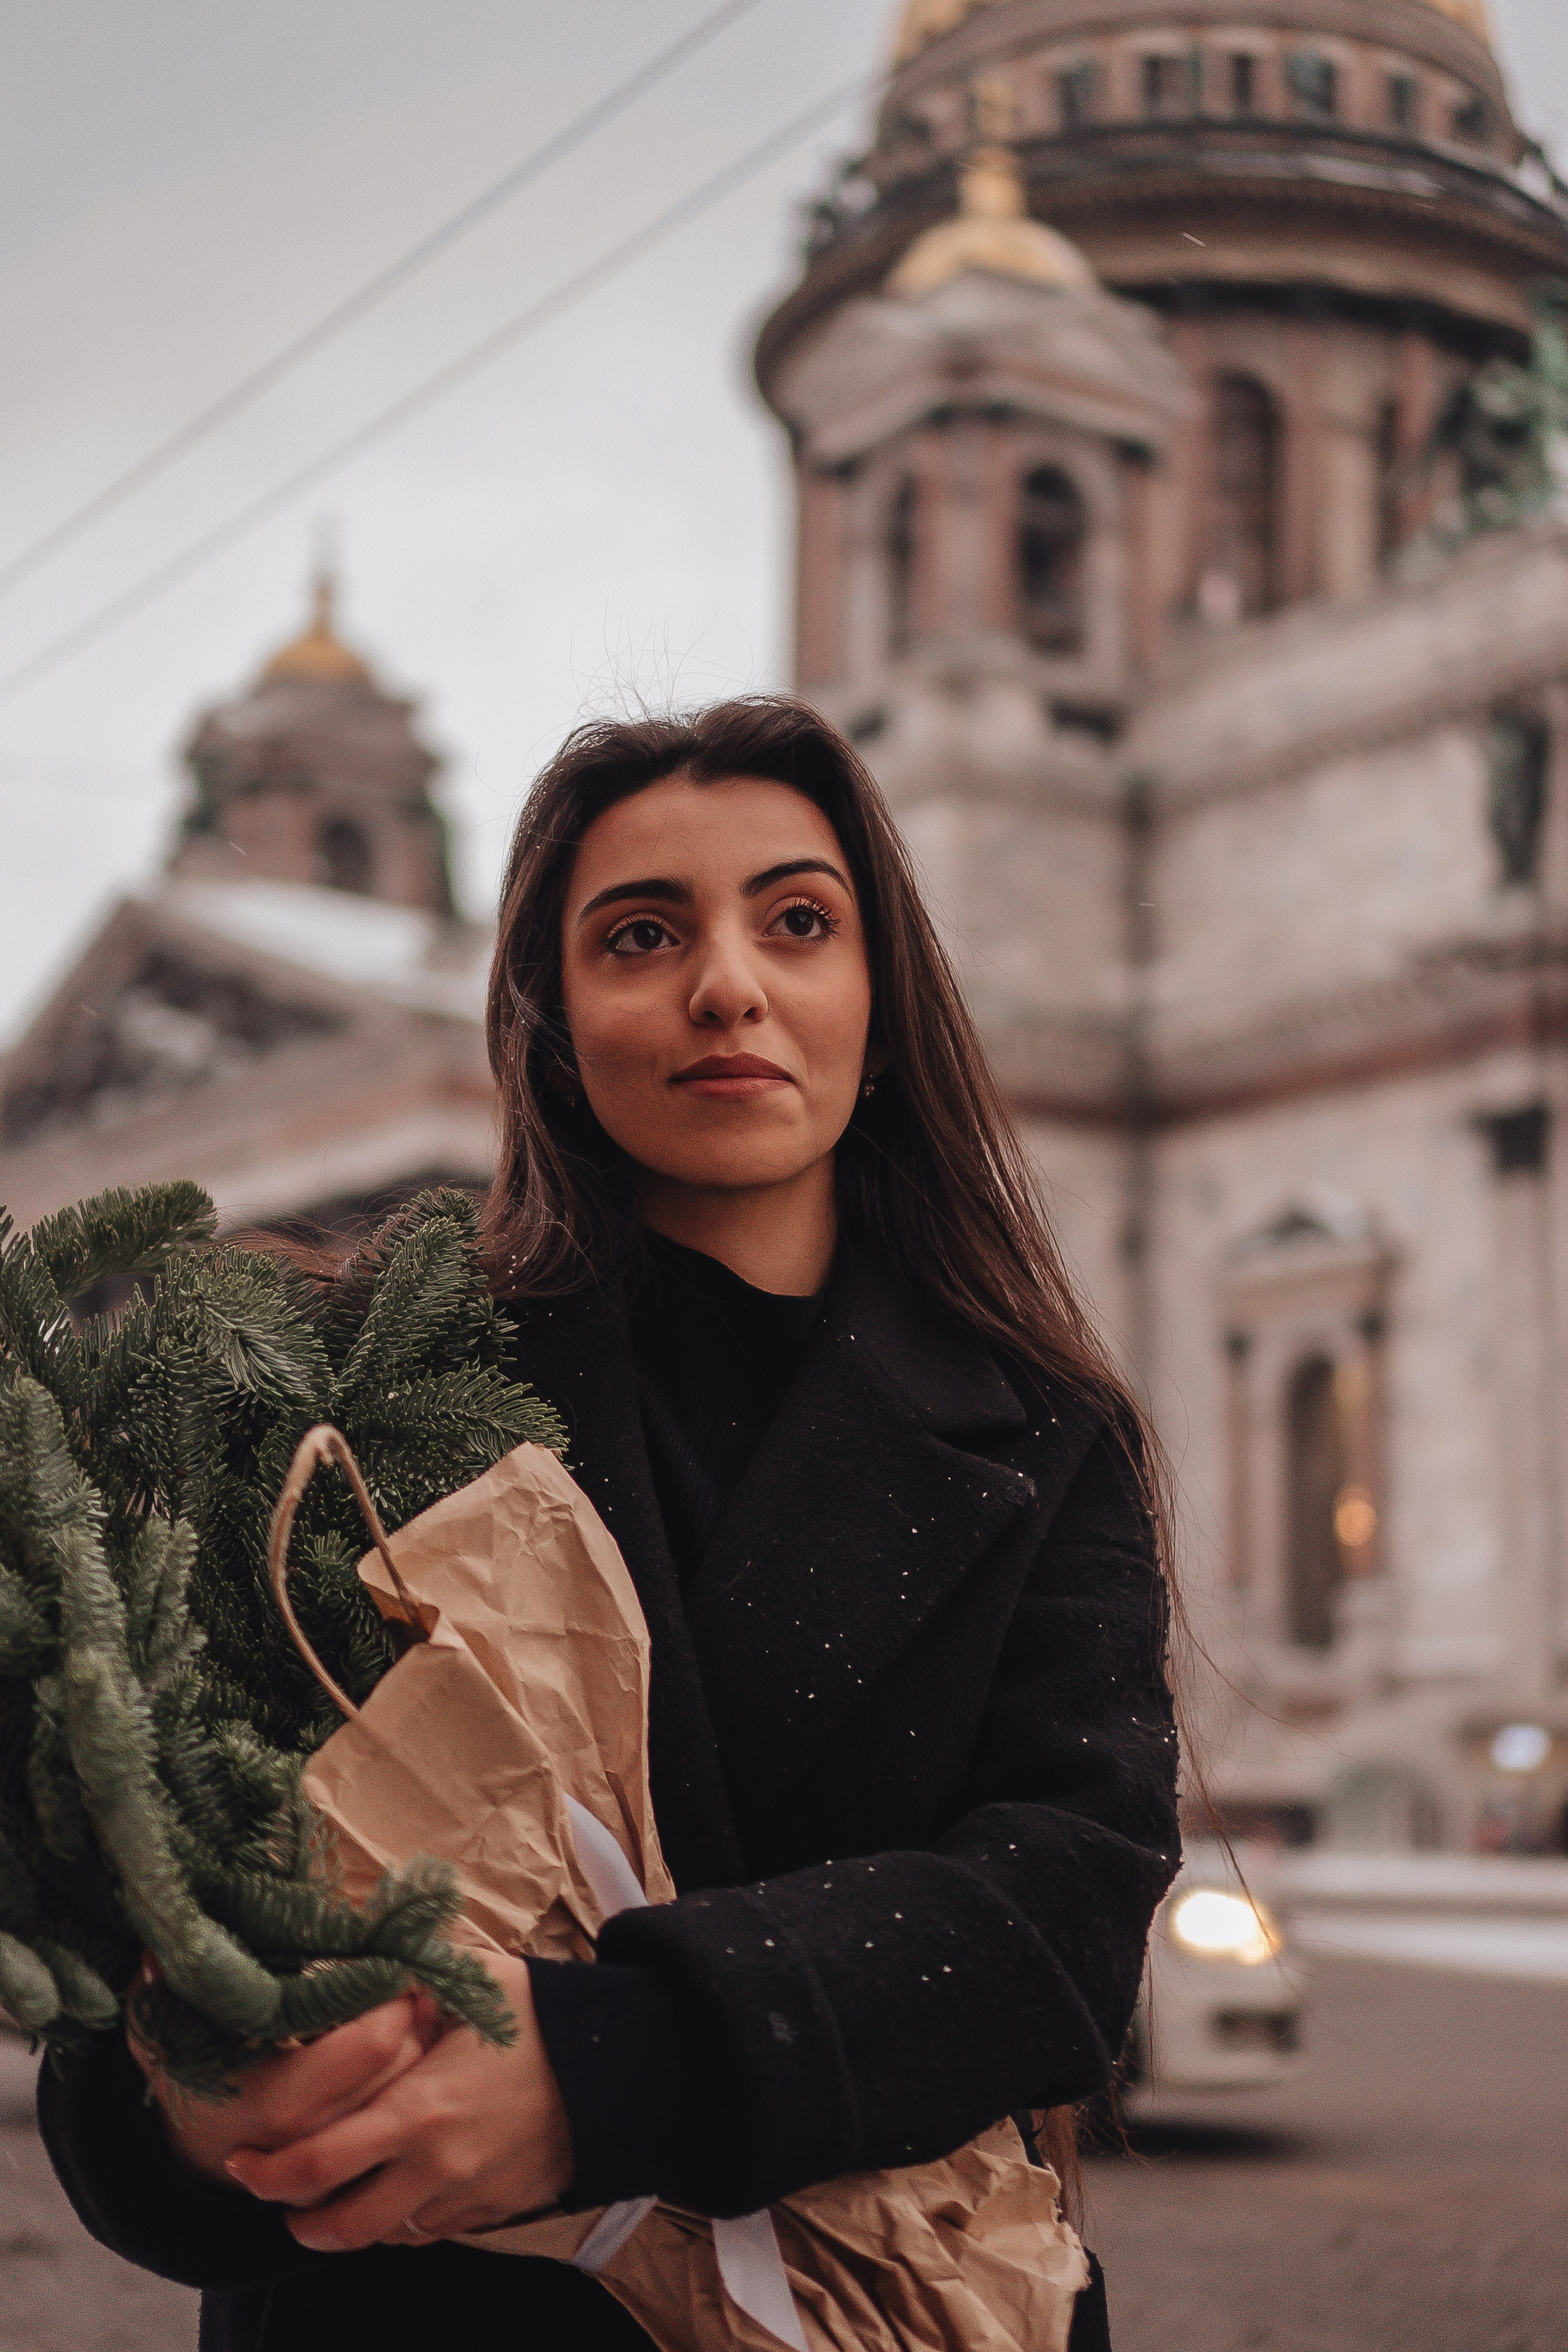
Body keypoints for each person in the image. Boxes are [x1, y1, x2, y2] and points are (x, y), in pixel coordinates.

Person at [40, 696, 1180, 2351]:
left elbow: (1064, 1919)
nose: (728, 984)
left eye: (799, 921)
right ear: (552, 1018)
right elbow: (146, 1915)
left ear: (882, 997)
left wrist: (604, 2071)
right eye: (641, 935)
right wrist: (192, 2110)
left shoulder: (1044, 1432)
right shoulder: (344, 1399)